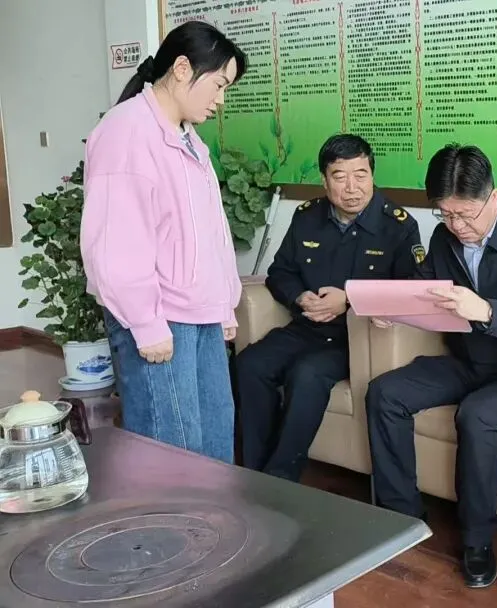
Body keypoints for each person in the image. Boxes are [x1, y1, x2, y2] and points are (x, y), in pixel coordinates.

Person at [365, 144, 497, 588]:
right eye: (446, 214)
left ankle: (477, 541)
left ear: (493, 197)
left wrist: (486, 309)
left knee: (475, 415)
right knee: (384, 393)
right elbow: (424, 285)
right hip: (464, 360)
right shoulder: (444, 237)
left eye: (466, 214)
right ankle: (402, 516)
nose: (457, 226)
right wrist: (391, 306)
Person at [80, 22, 248, 462]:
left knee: (214, 443)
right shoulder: (126, 132)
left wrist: (223, 303)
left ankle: (215, 514)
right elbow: (116, 241)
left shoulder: (188, 138)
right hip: (161, 318)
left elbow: (211, 231)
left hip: (200, 315)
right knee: (172, 455)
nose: (221, 99)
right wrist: (145, 323)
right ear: (182, 68)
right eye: (219, 84)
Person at [235, 134, 423, 481]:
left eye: (361, 175)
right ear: (325, 180)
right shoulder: (308, 216)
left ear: (372, 175)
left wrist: (348, 299)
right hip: (307, 327)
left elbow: (409, 291)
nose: (352, 187)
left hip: (355, 338)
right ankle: (254, 473)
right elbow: (281, 272)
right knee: (249, 364)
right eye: (340, 176)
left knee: (306, 374)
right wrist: (299, 297)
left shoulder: (398, 226)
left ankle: (280, 479)